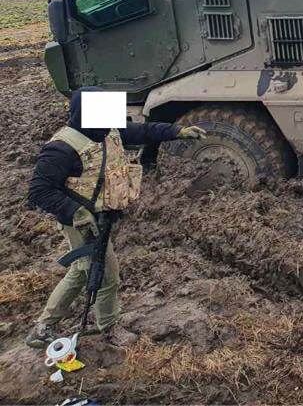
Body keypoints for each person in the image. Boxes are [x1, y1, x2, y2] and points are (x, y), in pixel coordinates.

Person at [24, 88, 207, 349]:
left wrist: (177, 131)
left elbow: (143, 131)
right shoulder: (61, 149)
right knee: (107, 276)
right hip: (80, 222)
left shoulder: (107, 130)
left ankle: (43, 328)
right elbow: (38, 191)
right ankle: (109, 328)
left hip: (101, 216)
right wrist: (76, 211)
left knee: (81, 271)